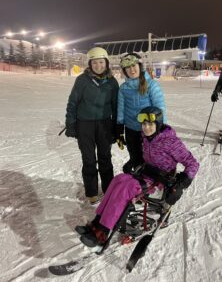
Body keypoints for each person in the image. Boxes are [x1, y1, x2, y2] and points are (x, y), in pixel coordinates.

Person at [77, 106, 199, 247]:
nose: (146, 128)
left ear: (158, 124)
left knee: (127, 188)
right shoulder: (147, 138)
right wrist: (133, 162)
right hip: (147, 174)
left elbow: (193, 164)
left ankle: (103, 232)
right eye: (144, 124)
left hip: (162, 181)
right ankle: (97, 222)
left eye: (150, 124)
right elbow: (146, 157)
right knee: (118, 179)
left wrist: (181, 184)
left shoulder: (170, 141)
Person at [65, 47, 119, 205]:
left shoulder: (112, 82)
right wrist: (71, 124)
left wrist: (116, 128)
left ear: (106, 63)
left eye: (101, 62)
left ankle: (109, 189)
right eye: (94, 62)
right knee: (88, 159)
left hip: (104, 124)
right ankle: (92, 192)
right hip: (85, 125)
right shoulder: (82, 80)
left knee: (105, 158)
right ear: (90, 64)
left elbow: (116, 106)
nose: (98, 65)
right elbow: (72, 103)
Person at [116, 53, 167, 173]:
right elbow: (121, 109)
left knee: (150, 157)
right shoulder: (123, 88)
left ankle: (152, 178)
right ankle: (140, 182)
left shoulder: (152, 85)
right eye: (128, 67)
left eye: (134, 65)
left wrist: (162, 127)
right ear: (124, 71)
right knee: (135, 156)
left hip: (149, 129)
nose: (131, 70)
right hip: (131, 130)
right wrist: (119, 128)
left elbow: (160, 107)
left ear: (140, 66)